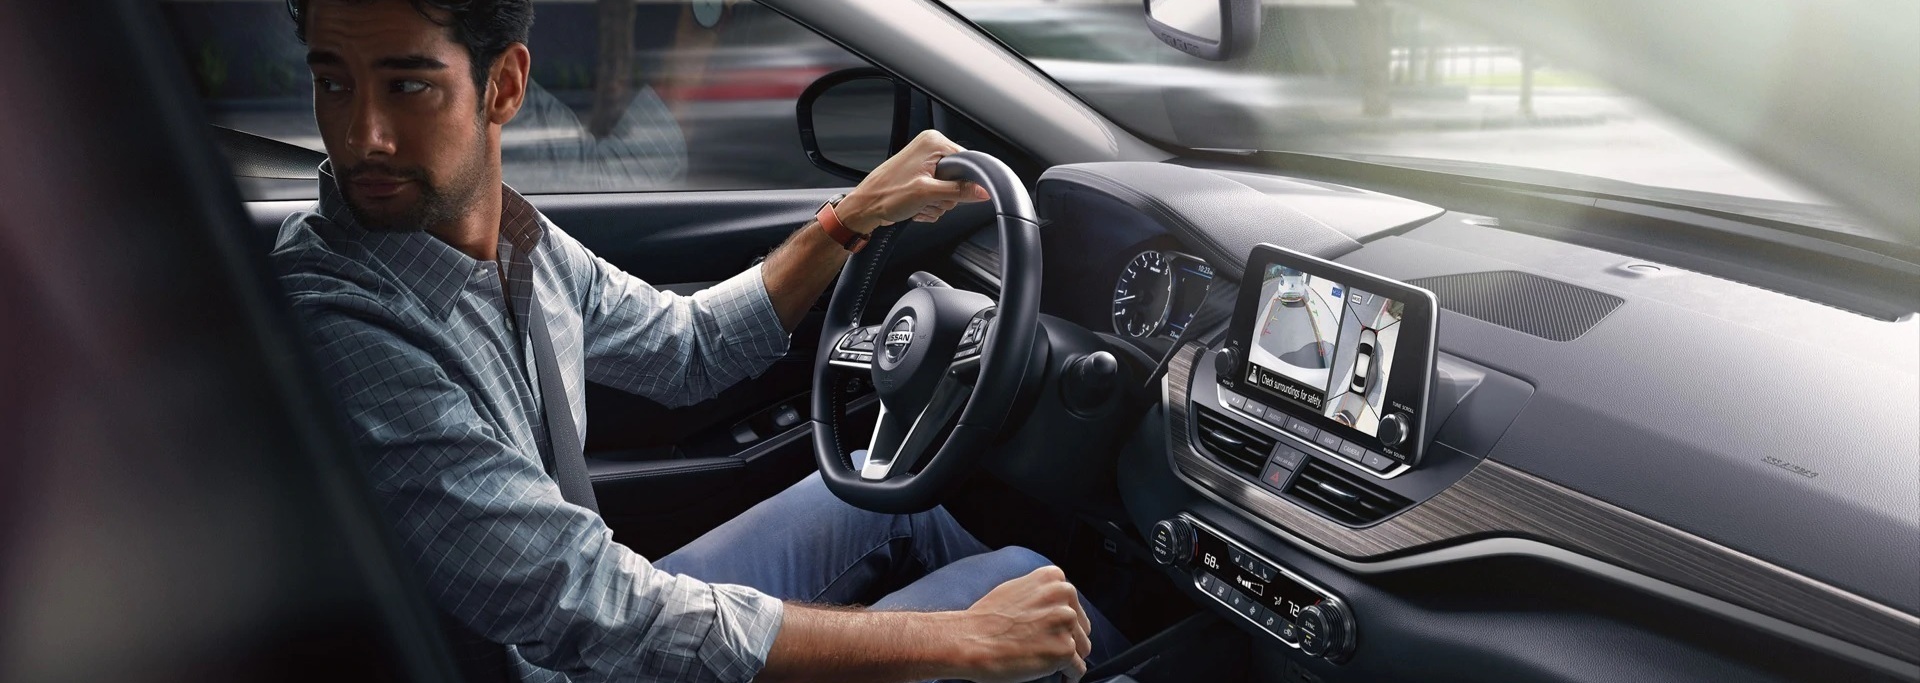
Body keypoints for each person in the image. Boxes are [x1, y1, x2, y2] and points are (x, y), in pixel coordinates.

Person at [269, 1, 1123, 682]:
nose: (360, 136)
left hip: (582, 641)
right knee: (1002, 597)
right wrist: (962, 641)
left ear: (504, 86)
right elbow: (598, 611)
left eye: (406, 86)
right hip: (565, 657)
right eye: (334, 83)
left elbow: (691, 346)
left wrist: (851, 215)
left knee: (887, 504)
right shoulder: (341, 318)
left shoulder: (514, 241)